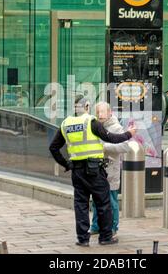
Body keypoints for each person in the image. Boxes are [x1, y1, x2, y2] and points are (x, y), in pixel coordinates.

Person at [49, 95, 136, 247]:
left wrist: (66, 164)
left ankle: (82, 239)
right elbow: (111, 138)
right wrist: (129, 134)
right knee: (103, 203)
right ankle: (105, 237)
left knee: (81, 205)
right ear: (87, 107)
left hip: (77, 170)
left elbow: (53, 148)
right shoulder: (91, 121)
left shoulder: (66, 124)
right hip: (94, 170)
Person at [90, 102, 130, 237]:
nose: (100, 115)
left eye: (103, 112)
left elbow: (125, 147)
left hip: (111, 170)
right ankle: (96, 226)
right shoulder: (95, 127)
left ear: (109, 112)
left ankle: (113, 226)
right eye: (98, 112)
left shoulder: (116, 128)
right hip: (97, 169)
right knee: (96, 199)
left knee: (111, 200)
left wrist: (105, 146)